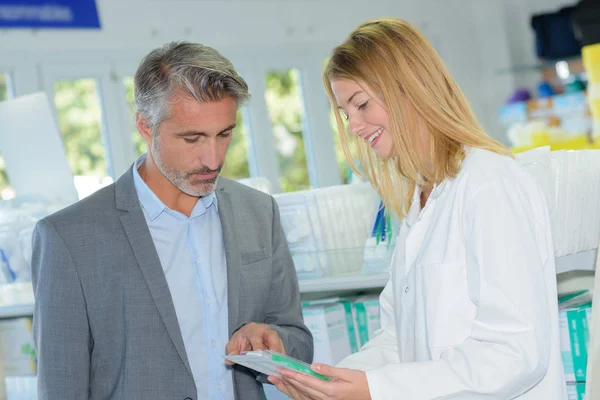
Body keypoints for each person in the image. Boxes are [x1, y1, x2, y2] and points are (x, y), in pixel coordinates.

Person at [270, 18, 566, 400]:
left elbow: (515, 354)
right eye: (346, 114)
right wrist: (333, 381)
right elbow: (399, 339)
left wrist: (375, 389)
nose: (355, 127)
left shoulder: (488, 183)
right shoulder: (421, 199)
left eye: (361, 105)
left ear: (409, 89)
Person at [31, 41, 313, 400]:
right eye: (192, 138)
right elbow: (61, 387)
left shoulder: (259, 213)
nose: (212, 159)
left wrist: (276, 341)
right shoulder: (68, 238)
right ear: (145, 126)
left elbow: (300, 342)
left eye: (224, 134)